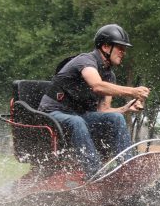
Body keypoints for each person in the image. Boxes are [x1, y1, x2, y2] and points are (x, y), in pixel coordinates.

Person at [38, 24, 150, 178]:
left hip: (78, 116)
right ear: (105, 46)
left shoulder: (110, 76)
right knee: (77, 122)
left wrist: (125, 108)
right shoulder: (86, 61)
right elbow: (97, 86)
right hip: (52, 113)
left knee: (116, 118)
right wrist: (132, 91)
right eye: (120, 48)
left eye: (124, 49)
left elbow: (103, 111)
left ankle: (128, 171)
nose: (123, 52)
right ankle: (95, 174)